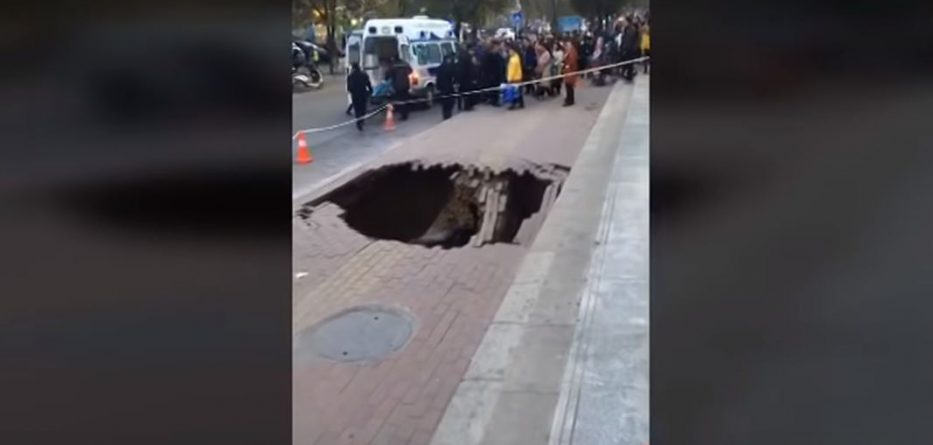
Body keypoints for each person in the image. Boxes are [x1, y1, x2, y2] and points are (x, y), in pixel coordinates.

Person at [346, 62, 372, 131]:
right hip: (363, 94)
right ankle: (362, 121)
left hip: (355, 95)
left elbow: (349, 88)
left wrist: (352, 91)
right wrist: (370, 91)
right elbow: (368, 84)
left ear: (353, 68)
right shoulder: (364, 75)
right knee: (363, 108)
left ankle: (359, 123)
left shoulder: (350, 76)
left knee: (357, 110)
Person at [436, 54, 457, 120]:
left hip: (442, 87)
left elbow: (438, 78)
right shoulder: (449, 67)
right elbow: (453, 76)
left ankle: (445, 114)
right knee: (450, 101)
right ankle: (448, 114)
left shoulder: (440, 67)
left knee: (444, 102)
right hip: (448, 86)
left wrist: (438, 87)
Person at [458, 46, 478, 111]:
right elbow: (472, 69)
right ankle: (468, 106)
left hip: (463, 78)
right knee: (469, 93)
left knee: (463, 93)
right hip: (468, 78)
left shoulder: (462, 56)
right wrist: (474, 77)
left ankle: (462, 106)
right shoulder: (469, 57)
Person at [620, 17, 640, 82]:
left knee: (629, 64)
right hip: (628, 49)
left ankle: (629, 76)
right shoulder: (626, 29)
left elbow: (629, 40)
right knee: (627, 63)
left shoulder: (631, 30)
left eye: (624, 21)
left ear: (628, 22)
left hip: (629, 50)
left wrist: (626, 48)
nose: (623, 23)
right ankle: (628, 75)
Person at [506, 44, 524, 110]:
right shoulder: (517, 57)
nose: (509, 52)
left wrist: (509, 79)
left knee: (513, 92)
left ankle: (513, 104)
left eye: (510, 50)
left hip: (514, 78)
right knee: (519, 91)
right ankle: (521, 103)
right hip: (518, 77)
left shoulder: (513, 60)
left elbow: (511, 70)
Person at [562, 40, 578, 107]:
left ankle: (570, 100)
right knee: (568, 86)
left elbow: (572, 61)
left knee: (569, 86)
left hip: (570, 71)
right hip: (568, 71)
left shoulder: (571, 51)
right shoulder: (570, 51)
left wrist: (567, 65)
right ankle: (569, 98)